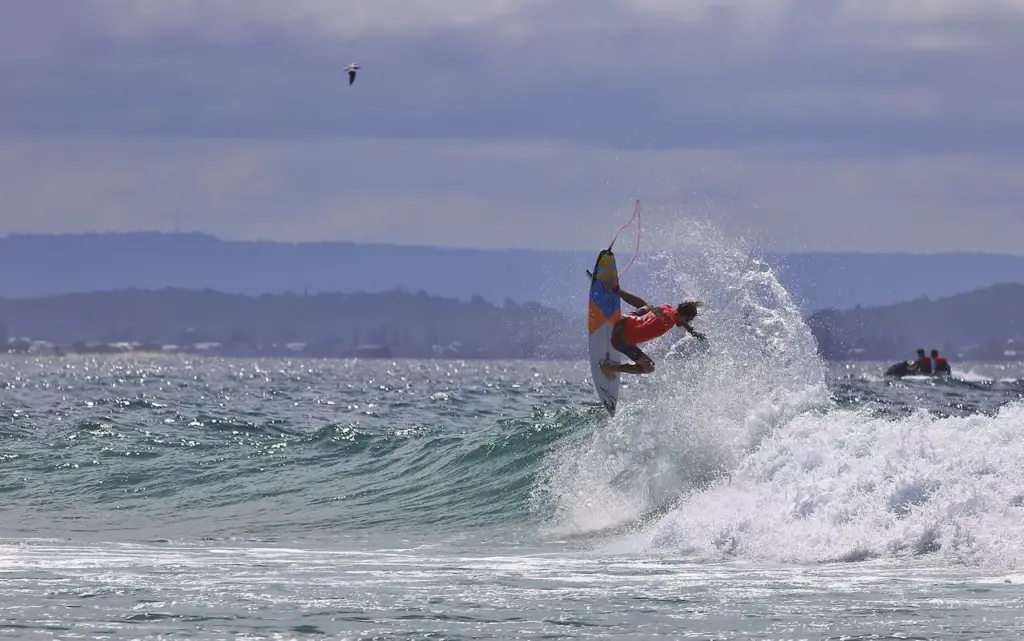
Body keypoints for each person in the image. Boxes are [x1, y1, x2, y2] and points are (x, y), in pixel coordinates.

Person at [600, 282, 705, 378]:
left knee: (646, 306)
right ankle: (609, 368)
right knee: (649, 367)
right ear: (686, 317)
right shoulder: (669, 319)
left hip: (621, 321)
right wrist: (660, 315)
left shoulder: (668, 308)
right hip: (619, 340)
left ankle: (618, 292)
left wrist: (691, 331)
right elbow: (666, 317)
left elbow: (677, 320)